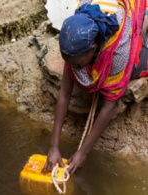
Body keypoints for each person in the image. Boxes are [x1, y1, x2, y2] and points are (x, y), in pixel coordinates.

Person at [42, 0, 147, 175]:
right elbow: (64, 93)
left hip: (129, 8)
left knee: (138, 54)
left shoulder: (118, 52)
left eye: (78, 64)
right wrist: (54, 147)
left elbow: (109, 104)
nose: (73, 68)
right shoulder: (76, 28)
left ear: (94, 48)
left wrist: (83, 152)